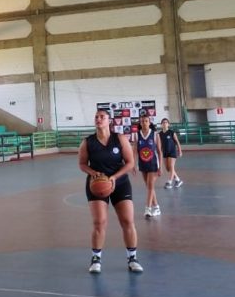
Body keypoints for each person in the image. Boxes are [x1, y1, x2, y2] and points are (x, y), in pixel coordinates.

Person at [78, 108, 143, 274]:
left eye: (102, 117)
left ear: (109, 120)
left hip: (119, 182)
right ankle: (96, 259)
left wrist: (114, 177)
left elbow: (130, 162)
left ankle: (132, 258)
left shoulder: (119, 138)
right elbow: (82, 164)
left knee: (127, 221)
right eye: (96, 117)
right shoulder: (87, 142)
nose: (98, 119)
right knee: (99, 222)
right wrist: (93, 173)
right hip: (97, 184)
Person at [133, 114, 162, 217]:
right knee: (149, 187)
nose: (144, 123)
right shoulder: (137, 135)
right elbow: (135, 151)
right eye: (142, 121)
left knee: (150, 186)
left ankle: (148, 209)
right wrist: (133, 164)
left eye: (146, 121)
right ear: (140, 123)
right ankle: (157, 208)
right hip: (142, 164)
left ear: (149, 123)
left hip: (153, 164)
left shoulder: (155, 135)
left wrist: (160, 167)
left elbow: (159, 151)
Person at [159, 118, 183, 188]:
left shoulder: (172, 132)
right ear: (161, 124)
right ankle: (178, 180)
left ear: (168, 124)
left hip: (172, 152)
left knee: (171, 167)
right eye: (163, 122)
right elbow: (160, 144)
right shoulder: (160, 134)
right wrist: (159, 152)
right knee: (168, 168)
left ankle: (169, 182)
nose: (164, 123)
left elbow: (177, 142)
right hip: (165, 152)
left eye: (166, 122)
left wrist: (180, 150)